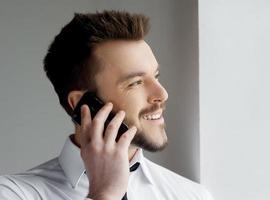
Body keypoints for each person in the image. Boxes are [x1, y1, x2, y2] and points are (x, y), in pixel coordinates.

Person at [0, 10, 214, 200]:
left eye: (156, 76)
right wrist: (105, 194)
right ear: (83, 104)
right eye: (135, 83)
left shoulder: (192, 196)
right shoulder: (13, 193)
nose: (162, 94)